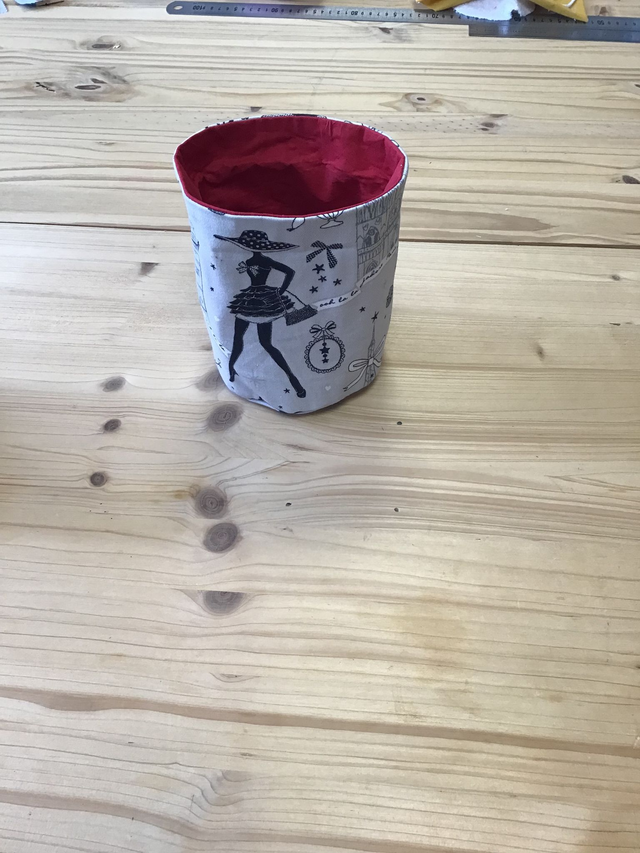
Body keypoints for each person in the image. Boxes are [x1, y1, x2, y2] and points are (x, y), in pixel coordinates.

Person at [215, 230, 306, 398]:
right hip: (252, 299)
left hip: (260, 301)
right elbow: (289, 272)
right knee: (246, 340)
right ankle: (231, 369)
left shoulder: (264, 261)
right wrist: (280, 290)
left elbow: (290, 272)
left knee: (259, 342)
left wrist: (281, 291)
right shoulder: (252, 261)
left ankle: (293, 379)